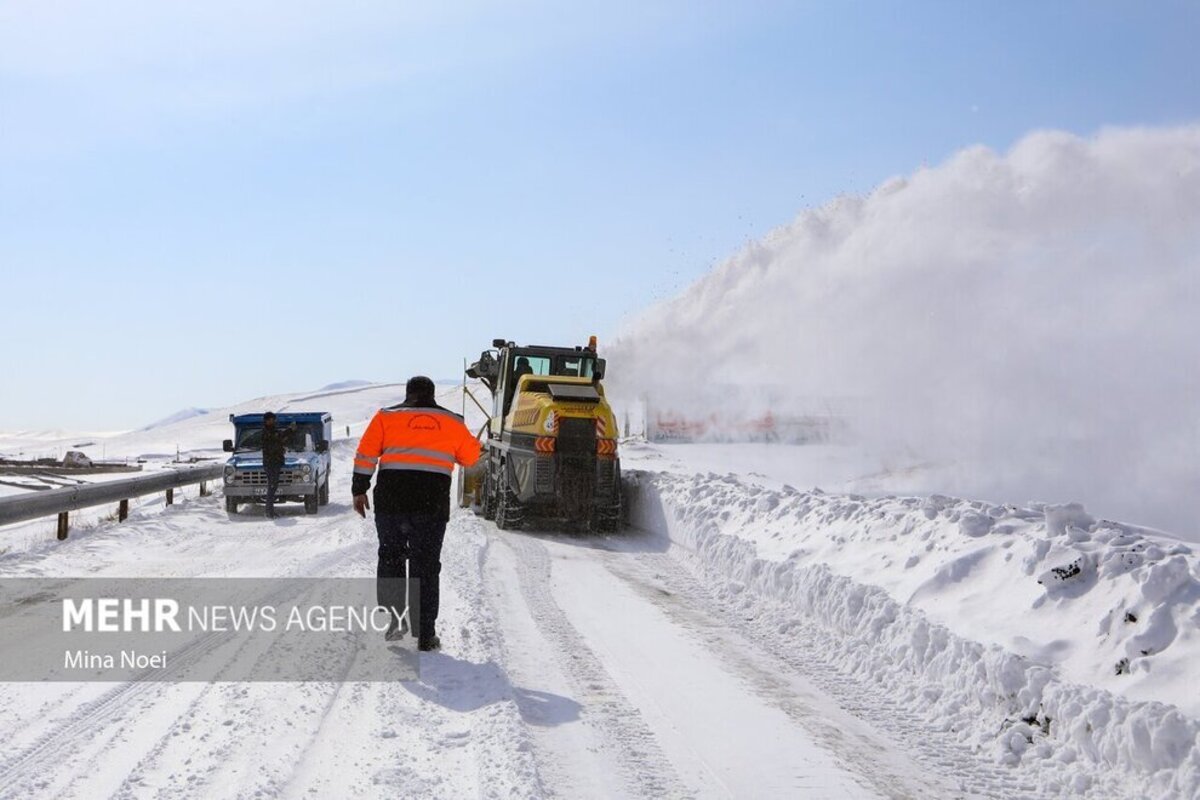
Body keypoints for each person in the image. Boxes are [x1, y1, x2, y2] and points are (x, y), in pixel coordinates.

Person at [352, 376, 481, 651]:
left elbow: (365, 455)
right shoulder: (453, 422)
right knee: (425, 565)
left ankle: (395, 623)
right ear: (432, 395)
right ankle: (425, 635)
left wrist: (359, 490)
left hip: (391, 502)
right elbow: (470, 458)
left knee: (391, 557)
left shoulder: (386, 417)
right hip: (430, 504)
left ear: (408, 393)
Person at [261, 412, 296, 519]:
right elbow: (276, 438)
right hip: (271, 462)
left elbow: (279, 438)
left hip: (275, 461)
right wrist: (289, 430)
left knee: (273, 486)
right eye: (271, 419)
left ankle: (269, 511)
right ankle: (269, 512)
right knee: (272, 486)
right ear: (266, 421)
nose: (273, 421)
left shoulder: (272, 430)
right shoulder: (266, 432)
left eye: (273, 419)